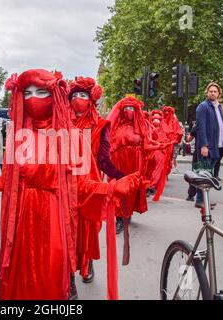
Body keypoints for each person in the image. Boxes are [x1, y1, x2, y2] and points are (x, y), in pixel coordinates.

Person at [0, 69, 144, 300]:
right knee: (23, 285)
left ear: (55, 95)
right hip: (21, 224)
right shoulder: (17, 136)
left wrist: (111, 187)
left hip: (55, 222)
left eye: (40, 92)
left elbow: (81, 186)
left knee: (52, 281)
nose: (33, 99)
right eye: (26, 93)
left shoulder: (73, 137)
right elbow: (4, 182)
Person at [68, 76, 124, 288]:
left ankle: (87, 261)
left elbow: (104, 160)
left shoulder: (101, 125)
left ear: (91, 99)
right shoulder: (61, 123)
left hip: (91, 187)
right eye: (74, 96)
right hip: (66, 188)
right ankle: (70, 277)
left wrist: (120, 176)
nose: (78, 99)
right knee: (67, 230)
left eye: (82, 95)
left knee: (90, 229)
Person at [194, 82, 223, 208]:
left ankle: (204, 200)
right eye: (210, 91)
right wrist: (204, 145)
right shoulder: (203, 107)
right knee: (203, 174)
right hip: (208, 147)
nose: (212, 93)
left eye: (215, 91)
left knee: (207, 175)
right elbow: (201, 127)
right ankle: (200, 200)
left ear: (219, 93)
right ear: (207, 93)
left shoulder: (218, 107)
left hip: (217, 146)